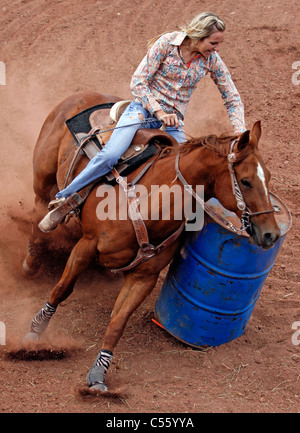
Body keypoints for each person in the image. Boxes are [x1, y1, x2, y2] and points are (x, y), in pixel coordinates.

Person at [39, 11, 246, 232]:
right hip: (142, 111)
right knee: (110, 155)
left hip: (173, 124)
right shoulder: (167, 44)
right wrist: (158, 111)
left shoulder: (211, 61)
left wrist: (240, 130)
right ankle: (64, 200)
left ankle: (184, 226)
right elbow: (139, 81)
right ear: (198, 36)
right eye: (214, 43)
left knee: (193, 170)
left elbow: (232, 97)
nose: (217, 48)